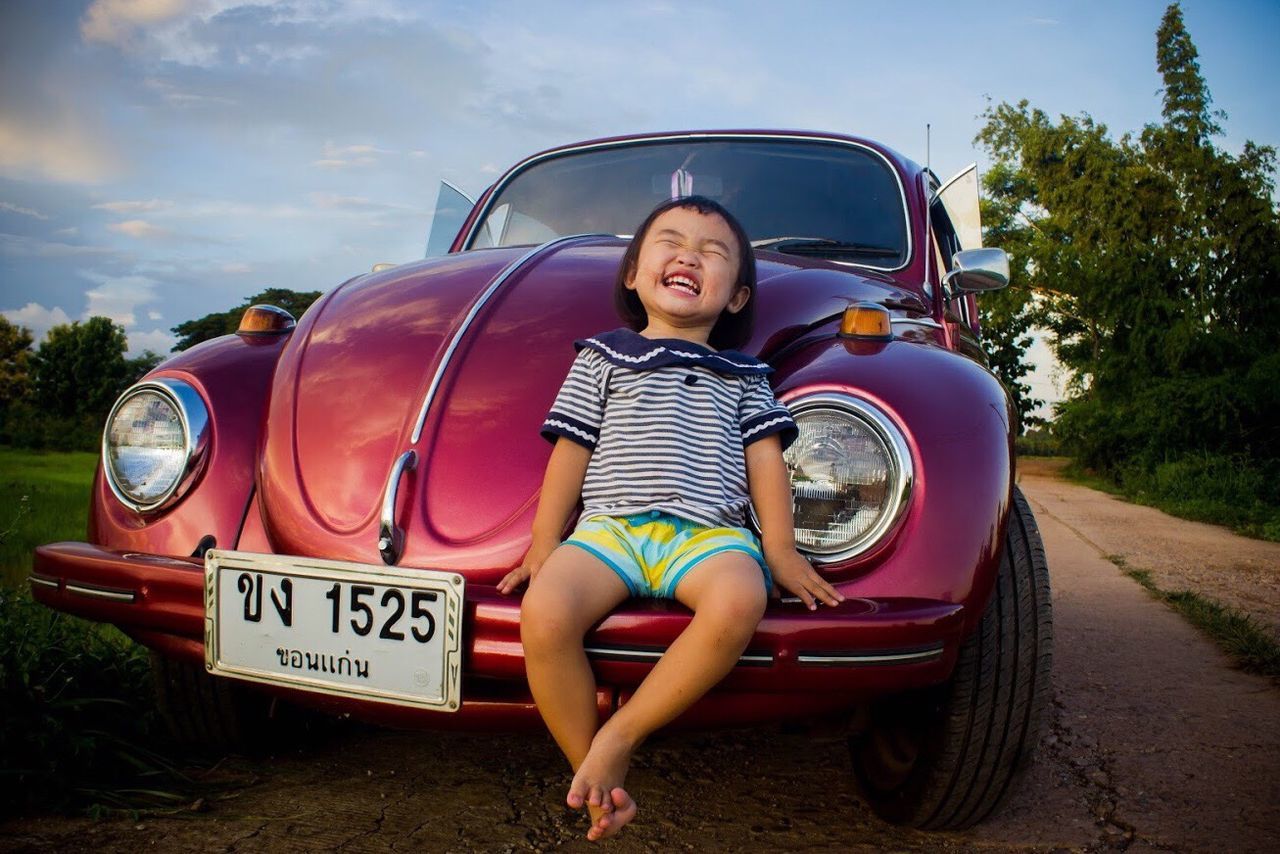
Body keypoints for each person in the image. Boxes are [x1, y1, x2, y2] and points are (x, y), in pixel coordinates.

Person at [497, 195, 844, 841]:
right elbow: (573, 450)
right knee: (544, 614)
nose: (690, 255)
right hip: (610, 531)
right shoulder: (602, 357)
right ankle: (592, 769)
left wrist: (780, 550)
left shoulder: (745, 374)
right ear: (634, 275)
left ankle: (624, 733)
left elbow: (766, 462)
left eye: (713, 253)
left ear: (737, 297)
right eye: (671, 242)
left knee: (740, 601)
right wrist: (545, 542)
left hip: (710, 534)